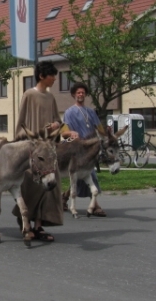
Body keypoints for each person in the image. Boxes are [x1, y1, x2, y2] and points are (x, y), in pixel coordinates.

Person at [14, 60, 71, 242]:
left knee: (49, 188)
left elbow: (59, 122)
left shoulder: (51, 97)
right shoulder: (29, 95)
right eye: (52, 75)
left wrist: (64, 130)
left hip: (49, 151)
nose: (55, 79)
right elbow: (20, 126)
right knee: (31, 187)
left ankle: (39, 226)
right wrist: (40, 131)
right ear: (41, 76)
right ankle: (26, 225)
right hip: (34, 151)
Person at [62, 82, 106, 216]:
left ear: (85, 95)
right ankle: (96, 206)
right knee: (89, 173)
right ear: (74, 95)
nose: (81, 95)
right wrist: (71, 133)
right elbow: (64, 133)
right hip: (77, 148)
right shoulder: (69, 112)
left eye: (83, 93)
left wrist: (106, 135)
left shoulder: (91, 111)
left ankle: (64, 197)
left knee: (80, 176)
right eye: (78, 93)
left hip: (90, 148)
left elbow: (99, 128)